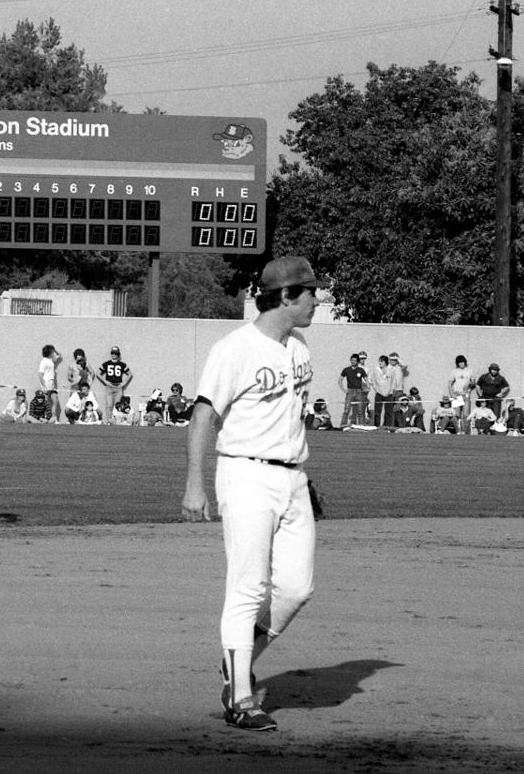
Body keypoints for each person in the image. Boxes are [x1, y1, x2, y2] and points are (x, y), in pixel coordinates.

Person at [181, 255, 324, 733]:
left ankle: (238, 660)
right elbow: (203, 416)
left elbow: (290, 417)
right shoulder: (234, 349)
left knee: (297, 587)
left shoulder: (299, 346)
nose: (316, 300)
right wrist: (195, 484)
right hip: (244, 474)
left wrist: (302, 477)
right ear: (285, 296)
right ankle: (240, 697)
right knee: (250, 586)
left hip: (292, 476)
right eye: (309, 293)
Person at [98, 345, 133, 424]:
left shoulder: (122, 364)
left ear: (118, 354)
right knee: (109, 405)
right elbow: (98, 373)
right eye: (112, 353)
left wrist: (124, 383)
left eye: (115, 353)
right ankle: (108, 421)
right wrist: (105, 381)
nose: (114, 355)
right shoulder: (106, 364)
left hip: (118, 387)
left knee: (118, 406)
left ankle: (117, 421)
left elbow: (130, 374)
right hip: (109, 386)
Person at [336, 352, 368, 428]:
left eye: (354, 360)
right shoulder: (346, 370)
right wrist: (344, 390)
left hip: (359, 391)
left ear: (357, 361)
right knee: (346, 410)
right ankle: (343, 425)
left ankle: (361, 426)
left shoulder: (361, 370)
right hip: (350, 391)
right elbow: (340, 380)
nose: (353, 361)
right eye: (352, 360)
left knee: (360, 410)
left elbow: (367, 380)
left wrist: (367, 387)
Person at [448, 355, 475, 434]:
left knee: (466, 414)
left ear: (465, 362)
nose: (461, 364)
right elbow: (449, 384)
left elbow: (473, 383)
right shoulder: (454, 371)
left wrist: (469, 389)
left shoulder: (470, 371)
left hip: (465, 395)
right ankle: (458, 431)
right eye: (459, 363)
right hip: (457, 395)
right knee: (457, 415)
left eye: (462, 362)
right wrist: (452, 394)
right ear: (457, 363)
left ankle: (466, 432)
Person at [38, 344, 63, 423]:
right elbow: (40, 374)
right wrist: (44, 386)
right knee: (45, 402)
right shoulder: (44, 361)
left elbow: (60, 355)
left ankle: (54, 418)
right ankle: (44, 418)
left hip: (52, 384)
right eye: (52, 351)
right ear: (49, 352)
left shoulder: (52, 359)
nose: (54, 353)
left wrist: (54, 350)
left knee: (55, 401)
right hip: (46, 382)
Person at [368, 354, 392, 427]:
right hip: (379, 393)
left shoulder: (391, 369)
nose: (380, 363)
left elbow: (394, 381)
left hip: (389, 394)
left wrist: (391, 390)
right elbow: (370, 379)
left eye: (382, 362)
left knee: (389, 412)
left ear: (386, 362)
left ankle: (388, 427)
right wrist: (375, 388)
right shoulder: (376, 370)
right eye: (380, 362)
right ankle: (376, 426)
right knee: (377, 411)